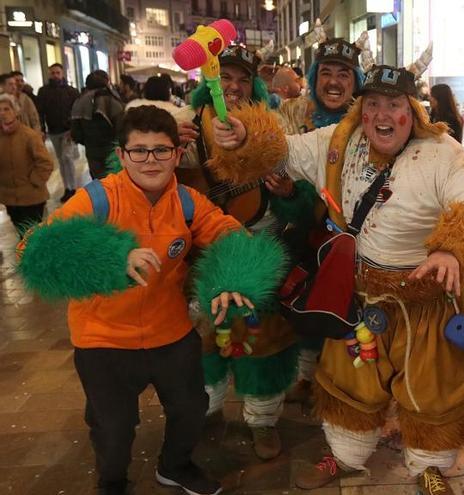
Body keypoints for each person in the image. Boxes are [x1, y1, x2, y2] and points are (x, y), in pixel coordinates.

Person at [213, 53, 464, 494]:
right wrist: (241, 138)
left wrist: (453, 251)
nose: (381, 115)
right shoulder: (339, 140)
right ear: (361, 108)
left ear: (413, 111)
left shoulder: (446, 153)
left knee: (432, 390)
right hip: (360, 296)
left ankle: (428, 465)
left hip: (425, 303)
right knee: (351, 383)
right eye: (373, 105)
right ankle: (345, 455)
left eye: (394, 106)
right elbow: (283, 150)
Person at [15, 105, 287, 495]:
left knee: (190, 408)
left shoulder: (189, 201)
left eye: (161, 150)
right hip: (102, 339)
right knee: (113, 427)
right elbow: (33, 250)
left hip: (170, 332)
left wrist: (233, 276)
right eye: (139, 150)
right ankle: (111, 481)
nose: (150, 160)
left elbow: (230, 233)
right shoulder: (96, 200)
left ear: (177, 154)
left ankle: (175, 467)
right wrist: (110, 256)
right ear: (122, 155)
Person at [177, 45, 305, 461]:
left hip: (258, 247)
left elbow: (296, 200)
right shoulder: (186, 128)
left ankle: (262, 421)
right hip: (204, 254)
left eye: (241, 78)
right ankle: (207, 412)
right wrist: (168, 146)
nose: (232, 86)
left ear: (254, 85)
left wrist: (287, 195)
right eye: (224, 77)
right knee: (203, 343)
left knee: (263, 343)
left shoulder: (270, 130)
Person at [271, 32, 370, 407]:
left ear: (356, 82)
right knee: (309, 311)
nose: (334, 81)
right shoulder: (293, 116)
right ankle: (310, 379)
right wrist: (289, 195)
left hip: (358, 242)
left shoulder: (369, 122)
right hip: (307, 238)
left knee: (354, 317)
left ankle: (347, 388)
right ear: (313, 78)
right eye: (326, 72)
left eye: (344, 74)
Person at [0, 94, 53, 236]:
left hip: (32, 197)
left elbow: (45, 163)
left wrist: (34, 181)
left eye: (6, 109)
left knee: (33, 236)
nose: (2, 113)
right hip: (10, 199)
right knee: (22, 235)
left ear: (15, 111)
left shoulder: (29, 136)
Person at [36, 63, 80, 202]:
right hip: (54, 131)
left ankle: (72, 188)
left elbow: (76, 111)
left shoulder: (71, 91)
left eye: (57, 72)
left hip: (67, 130)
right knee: (61, 160)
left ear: (62, 73)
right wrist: (42, 129)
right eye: (53, 73)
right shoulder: (43, 91)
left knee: (67, 158)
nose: (55, 75)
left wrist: (74, 128)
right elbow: (40, 111)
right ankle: (67, 187)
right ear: (50, 74)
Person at [70, 70, 125, 180]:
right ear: (106, 82)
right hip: (112, 149)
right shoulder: (112, 100)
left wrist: (87, 141)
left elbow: (76, 132)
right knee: (114, 181)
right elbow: (122, 127)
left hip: (91, 149)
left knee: (98, 180)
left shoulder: (79, 101)